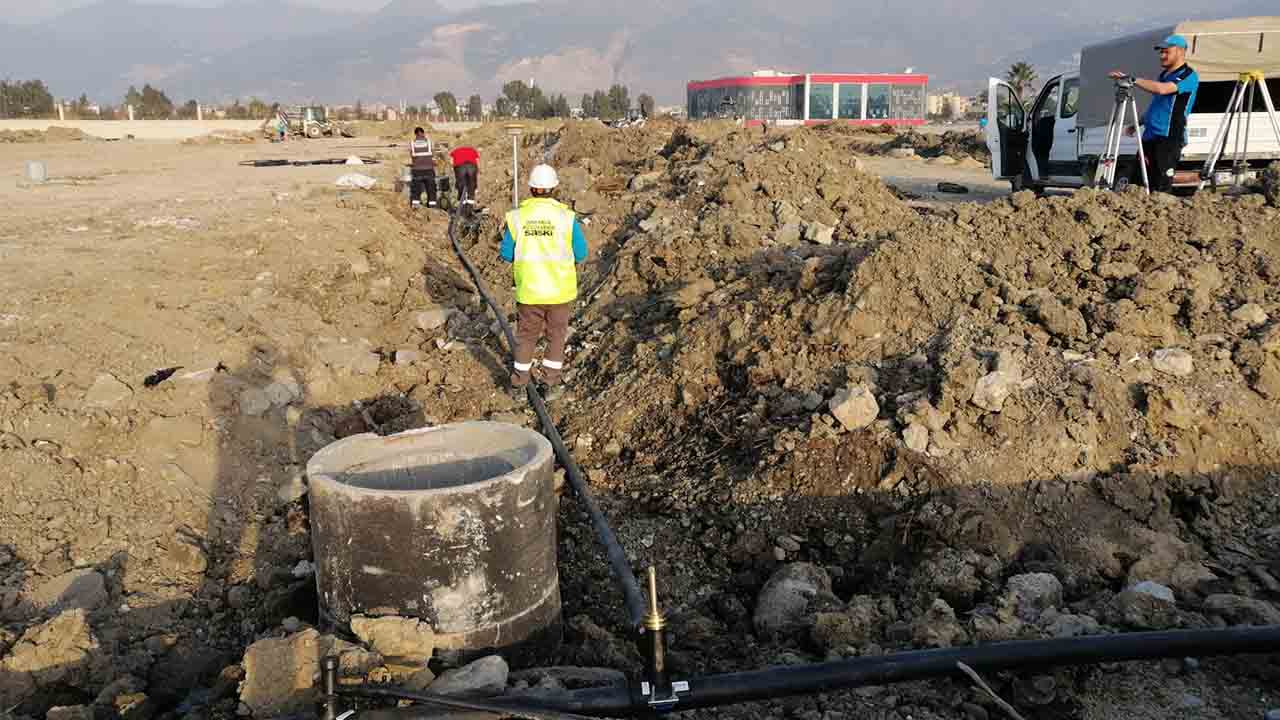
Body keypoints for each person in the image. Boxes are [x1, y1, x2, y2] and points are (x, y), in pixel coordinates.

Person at [500, 164, 588, 400]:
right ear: (554, 188)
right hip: (560, 292)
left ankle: (519, 384)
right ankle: (550, 383)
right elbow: (581, 253)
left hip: (529, 291)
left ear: (531, 188)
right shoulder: (566, 218)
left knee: (526, 336)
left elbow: (507, 253)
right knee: (556, 336)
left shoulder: (517, 218)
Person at [1110, 34, 1199, 193]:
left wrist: (1133, 80)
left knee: (1161, 186)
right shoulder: (1164, 75)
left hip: (1168, 138)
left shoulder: (1188, 75)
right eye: (1161, 52)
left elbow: (1162, 89)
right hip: (1150, 136)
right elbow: (1158, 104)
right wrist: (1140, 122)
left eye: (1166, 52)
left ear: (1179, 52)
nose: (1162, 56)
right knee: (1138, 182)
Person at [408, 126, 437, 209]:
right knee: (431, 189)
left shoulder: (412, 144)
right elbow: (433, 154)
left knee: (416, 189)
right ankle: (432, 207)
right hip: (429, 170)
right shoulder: (429, 142)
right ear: (423, 133)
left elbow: (412, 156)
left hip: (417, 170)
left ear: (415, 134)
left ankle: (415, 207)